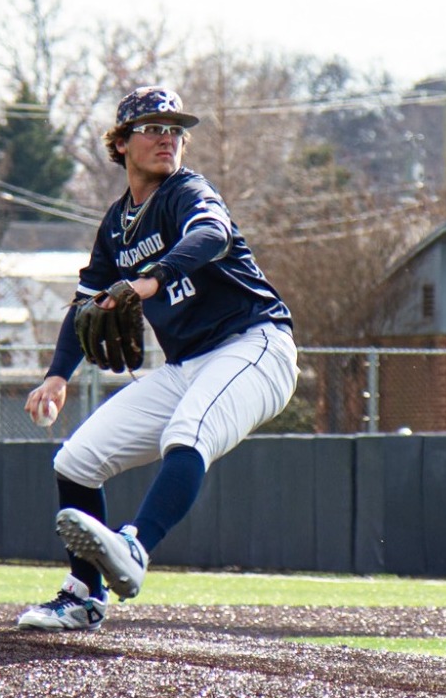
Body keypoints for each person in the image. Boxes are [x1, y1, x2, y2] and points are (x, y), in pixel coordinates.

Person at [16, 86, 299, 632]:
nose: (167, 138)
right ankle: (83, 595)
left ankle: (135, 547)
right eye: (152, 128)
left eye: (175, 130)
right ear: (121, 143)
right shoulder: (116, 225)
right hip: (188, 363)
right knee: (76, 462)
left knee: (187, 433)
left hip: (254, 344)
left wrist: (151, 280)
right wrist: (57, 375)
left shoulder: (187, 192)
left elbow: (212, 234)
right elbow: (86, 302)